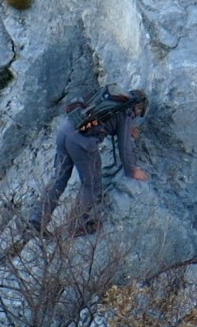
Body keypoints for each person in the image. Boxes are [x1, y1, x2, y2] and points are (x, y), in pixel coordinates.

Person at [30, 87, 149, 235]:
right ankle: (78, 224)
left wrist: (126, 127)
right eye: (138, 114)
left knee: (59, 177)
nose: (136, 118)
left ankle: (37, 219)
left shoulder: (110, 97)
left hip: (64, 132)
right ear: (138, 108)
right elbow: (124, 146)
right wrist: (131, 170)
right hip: (81, 143)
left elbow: (103, 118)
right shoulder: (126, 112)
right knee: (92, 184)